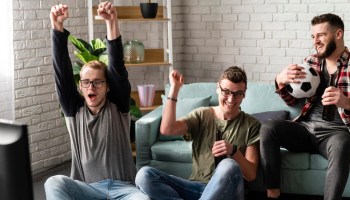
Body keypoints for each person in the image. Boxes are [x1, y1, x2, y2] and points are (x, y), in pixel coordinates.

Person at [44, 2, 150, 199]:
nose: (91, 87)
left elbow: (117, 66)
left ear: (108, 86)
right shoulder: (74, 109)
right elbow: (62, 74)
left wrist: (112, 22)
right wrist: (57, 28)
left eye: (97, 82)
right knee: (54, 182)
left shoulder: (117, 106)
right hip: (88, 189)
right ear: (80, 86)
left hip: (124, 189)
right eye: (86, 82)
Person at [260, 13, 350, 200]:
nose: (315, 41)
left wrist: (345, 102)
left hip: (335, 134)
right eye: (313, 36)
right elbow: (293, 101)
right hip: (306, 130)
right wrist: (280, 81)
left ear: (338, 34)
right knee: (269, 128)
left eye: (321, 35)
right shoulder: (311, 62)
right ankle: (272, 194)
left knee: (342, 144)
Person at [135, 67, 261, 200]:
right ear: (218, 88)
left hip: (230, 192)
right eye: (226, 92)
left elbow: (251, 174)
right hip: (195, 187)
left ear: (244, 94)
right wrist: (175, 89)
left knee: (228, 165)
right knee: (144, 175)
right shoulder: (202, 115)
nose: (231, 99)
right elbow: (167, 129)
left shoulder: (251, 125)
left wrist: (233, 151)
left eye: (237, 94)